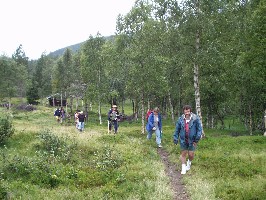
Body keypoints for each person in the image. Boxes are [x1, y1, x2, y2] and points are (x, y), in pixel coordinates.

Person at [173, 105, 202, 175]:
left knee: (191, 155)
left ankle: (189, 162)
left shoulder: (195, 119)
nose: (187, 113)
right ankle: (183, 167)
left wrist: (197, 139)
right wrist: (175, 137)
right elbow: (177, 130)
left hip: (192, 140)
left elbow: (199, 129)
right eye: (185, 111)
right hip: (183, 140)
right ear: (184, 111)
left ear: (190, 111)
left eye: (188, 111)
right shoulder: (180, 119)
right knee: (183, 154)